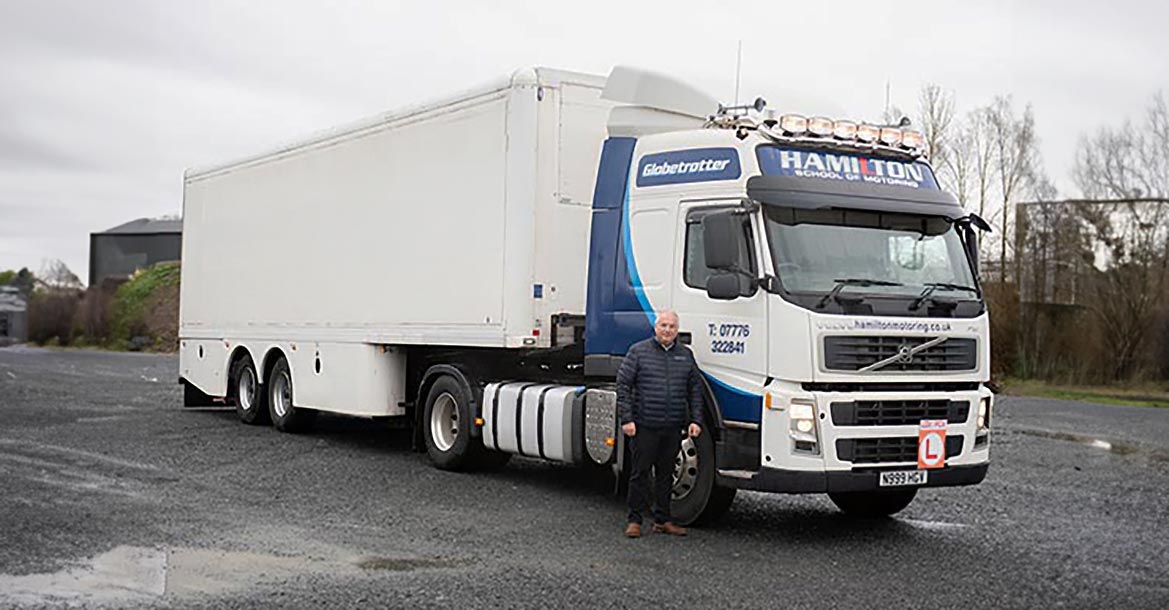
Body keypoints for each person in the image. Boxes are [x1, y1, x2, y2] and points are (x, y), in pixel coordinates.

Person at [617, 310, 704, 538]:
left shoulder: (685, 355)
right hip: (644, 425)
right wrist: (627, 419)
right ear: (655, 328)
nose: (667, 330)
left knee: (666, 475)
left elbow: (695, 390)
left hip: (673, 426)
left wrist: (696, 419)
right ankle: (635, 520)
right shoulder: (638, 352)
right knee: (640, 473)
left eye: (672, 326)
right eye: (663, 325)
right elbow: (623, 386)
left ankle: (662, 520)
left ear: (677, 330)